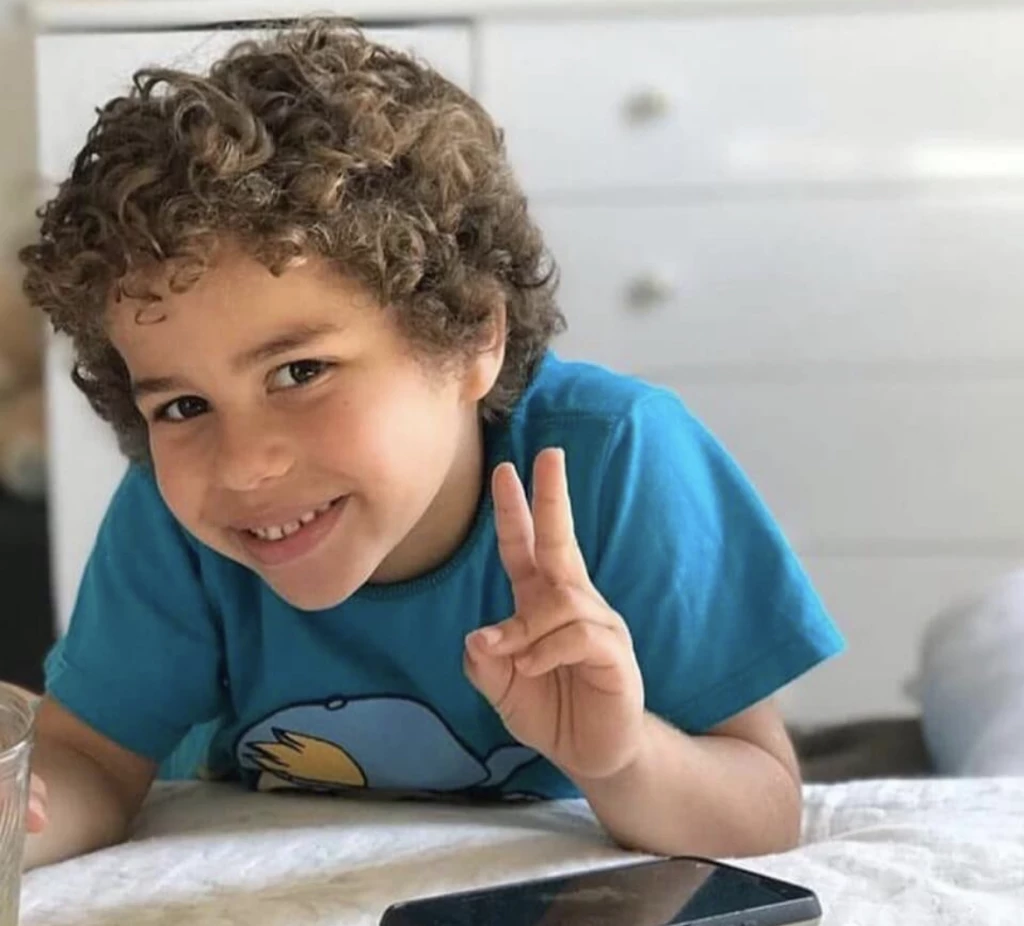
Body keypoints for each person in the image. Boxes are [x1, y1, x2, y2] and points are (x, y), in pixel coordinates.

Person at [16, 19, 844, 870]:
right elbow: (90, 760)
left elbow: (764, 808)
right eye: (184, 405)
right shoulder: (173, 517)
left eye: (300, 372)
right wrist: (18, 810)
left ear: (474, 335)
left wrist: (624, 756)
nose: (242, 464)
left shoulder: (618, 462)